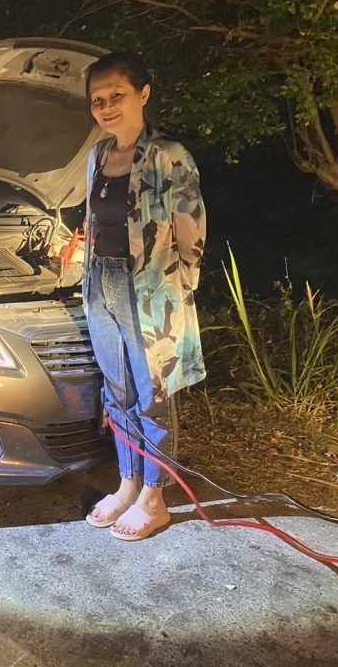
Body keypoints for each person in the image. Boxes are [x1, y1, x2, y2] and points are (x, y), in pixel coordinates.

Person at [81, 51, 206, 541]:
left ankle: (154, 498)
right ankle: (127, 484)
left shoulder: (168, 155)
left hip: (151, 288)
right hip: (101, 284)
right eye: (97, 100)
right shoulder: (96, 156)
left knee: (153, 393)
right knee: (117, 392)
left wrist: (180, 287)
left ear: (143, 94)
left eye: (117, 95)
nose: (106, 107)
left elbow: (192, 231)